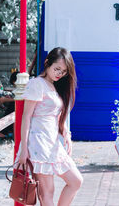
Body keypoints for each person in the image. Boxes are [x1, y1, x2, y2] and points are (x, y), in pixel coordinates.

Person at [15, 47, 83, 206]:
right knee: (47, 193)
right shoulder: (37, 84)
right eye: (57, 69)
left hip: (52, 143)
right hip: (39, 144)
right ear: (47, 63)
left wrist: (66, 134)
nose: (60, 73)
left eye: (64, 71)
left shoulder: (53, 86)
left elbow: (56, 115)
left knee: (76, 181)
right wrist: (24, 148)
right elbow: (26, 117)